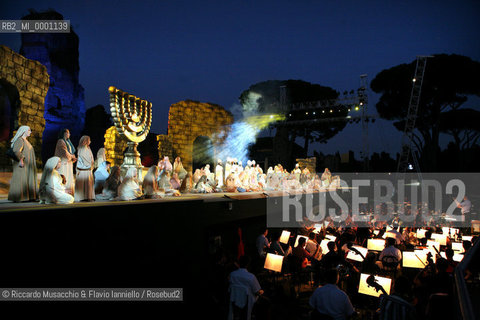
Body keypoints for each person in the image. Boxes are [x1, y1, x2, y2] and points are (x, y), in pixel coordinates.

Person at [8, 125, 38, 202]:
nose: (30, 132)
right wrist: (21, 160)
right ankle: (19, 197)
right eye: (29, 130)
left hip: (28, 165)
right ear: (24, 131)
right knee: (21, 179)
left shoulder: (25, 140)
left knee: (27, 179)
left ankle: (29, 196)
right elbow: (17, 151)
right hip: (22, 164)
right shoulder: (20, 140)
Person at [228, 255, 263, 320]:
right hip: (247, 304)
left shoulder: (232, 275)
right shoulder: (251, 277)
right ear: (248, 265)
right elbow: (257, 291)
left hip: (234, 302)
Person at [54, 128, 77, 195]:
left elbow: (71, 152)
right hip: (63, 162)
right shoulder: (61, 141)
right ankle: (62, 193)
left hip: (68, 163)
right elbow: (64, 152)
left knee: (69, 177)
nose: (69, 134)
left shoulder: (68, 142)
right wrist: (72, 156)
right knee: (64, 176)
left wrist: (73, 157)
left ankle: (69, 193)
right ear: (64, 133)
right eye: (68, 133)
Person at [74, 136, 95, 202]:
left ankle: (88, 196)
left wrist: (92, 163)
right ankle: (82, 197)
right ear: (86, 141)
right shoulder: (82, 148)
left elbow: (91, 158)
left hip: (88, 169)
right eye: (89, 140)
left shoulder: (88, 148)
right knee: (83, 183)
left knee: (88, 183)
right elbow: (86, 159)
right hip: (84, 169)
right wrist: (90, 163)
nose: (90, 142)